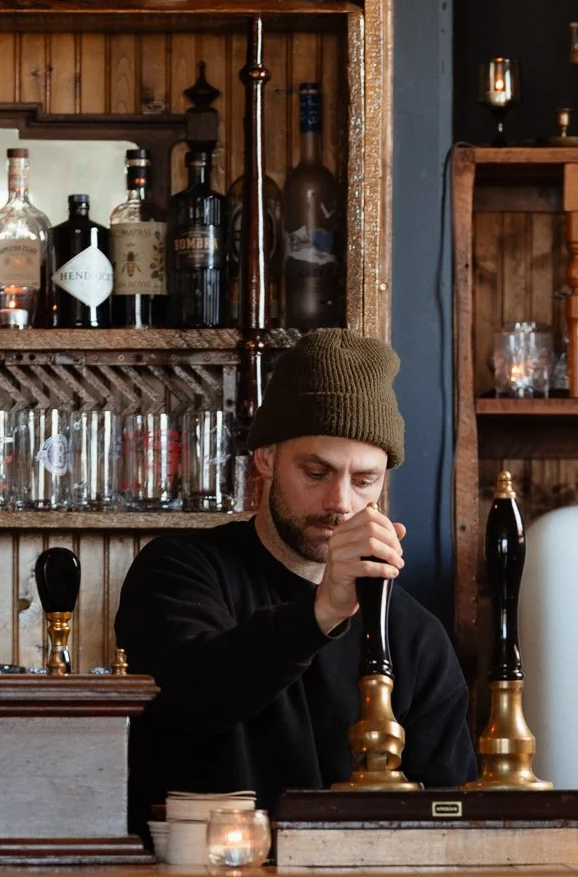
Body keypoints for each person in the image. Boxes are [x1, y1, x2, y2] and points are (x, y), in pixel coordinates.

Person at [115, 330, 477, 837]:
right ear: (265, 458)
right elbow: (193, 700)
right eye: (316, 471)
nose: (341, 502)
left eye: (364, 479)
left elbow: (449, 811)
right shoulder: (180, 569)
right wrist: (324, 608)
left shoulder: (415, 633)